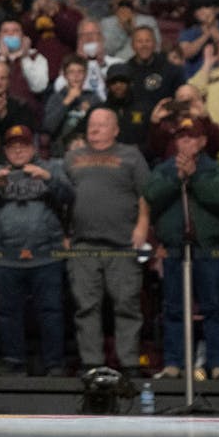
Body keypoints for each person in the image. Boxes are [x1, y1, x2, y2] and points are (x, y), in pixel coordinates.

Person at [0, 124, 73, 376]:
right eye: (12, 146)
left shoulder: (51, 168)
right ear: (6, 150)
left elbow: (69, 196)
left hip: (46, 255)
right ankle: (14, 364)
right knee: (8, 314)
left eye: (23, 146)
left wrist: (48, 179)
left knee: (51, 311)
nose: (18, 151)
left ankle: (54, 365)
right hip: (8, 256)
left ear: (33, 147)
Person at [63, 108, 151, 375]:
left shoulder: (131, 156)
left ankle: (129, 363)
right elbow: (60, 198)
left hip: (123, 243)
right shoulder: (72, 157)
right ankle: (92, 363)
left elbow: (146, 194)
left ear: (116, 129)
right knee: (85, 306)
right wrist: (65, 234)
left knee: (127, 304)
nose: (95, 129)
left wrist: (143, 226)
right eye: (92, 124)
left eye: (102, 124)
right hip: (83, 244)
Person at [144, 117, 219, 380]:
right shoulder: (164, 169)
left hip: (207, 247)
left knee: (213, 307)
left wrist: (193, 178)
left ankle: (218, 364)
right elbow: (152, 194)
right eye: (181, 137)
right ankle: (174, 362)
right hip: (174, 248)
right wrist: (177, 178)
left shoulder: (215, 169)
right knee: (174, 308)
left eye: (191, 137)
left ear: (202, 142)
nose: (186, 142)